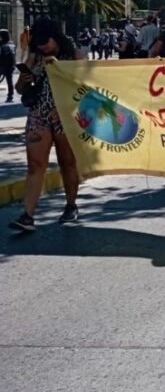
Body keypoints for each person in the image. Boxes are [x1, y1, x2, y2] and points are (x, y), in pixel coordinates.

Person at [8, 18, 81, 232]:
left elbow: (87, 89)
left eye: (45, 41)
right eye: (38, 42)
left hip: (66, 117)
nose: (42, 45)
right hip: (39, 115)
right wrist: (24, 78)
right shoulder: (34, 56)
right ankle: (28, 215)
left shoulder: (74, 57)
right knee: (35, 165)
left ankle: (70, 205)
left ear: (56, 36)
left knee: (67, 162)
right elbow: (21, 89)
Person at [0, 29, 14, 102]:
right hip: (11, 66)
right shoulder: (11, 44)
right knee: (9, 81)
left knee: (9, 81)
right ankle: (10, 96)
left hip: (3, 65)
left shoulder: (2, 44)